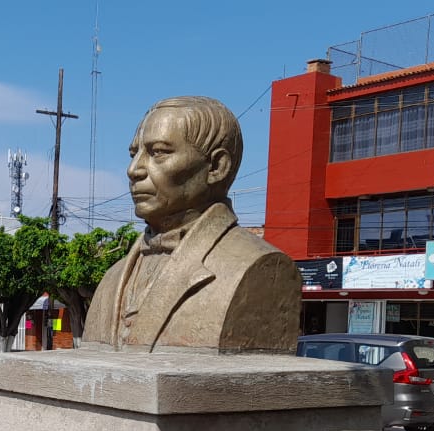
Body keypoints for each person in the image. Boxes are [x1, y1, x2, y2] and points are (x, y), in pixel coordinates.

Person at [81, 96, 300, 353]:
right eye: (134, 154)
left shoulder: (261, 267)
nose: (133, 169)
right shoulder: (113, 278)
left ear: (217, 167)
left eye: (158, 152)